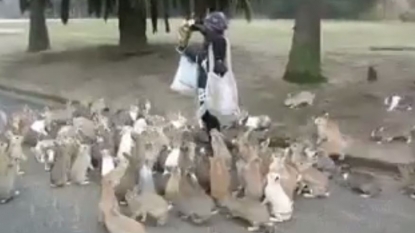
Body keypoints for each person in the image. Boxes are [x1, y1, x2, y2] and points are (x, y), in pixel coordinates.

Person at [177, 12, 230, 137]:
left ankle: (214, 134)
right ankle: (212, 133)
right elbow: (207, 34)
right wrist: (193, 26)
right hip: (205, 83)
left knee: (207, 113)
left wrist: (184, 46)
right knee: (205, 111)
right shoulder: (215, 43)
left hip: (208, 84)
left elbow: (209, 36)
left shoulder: (218, 42)